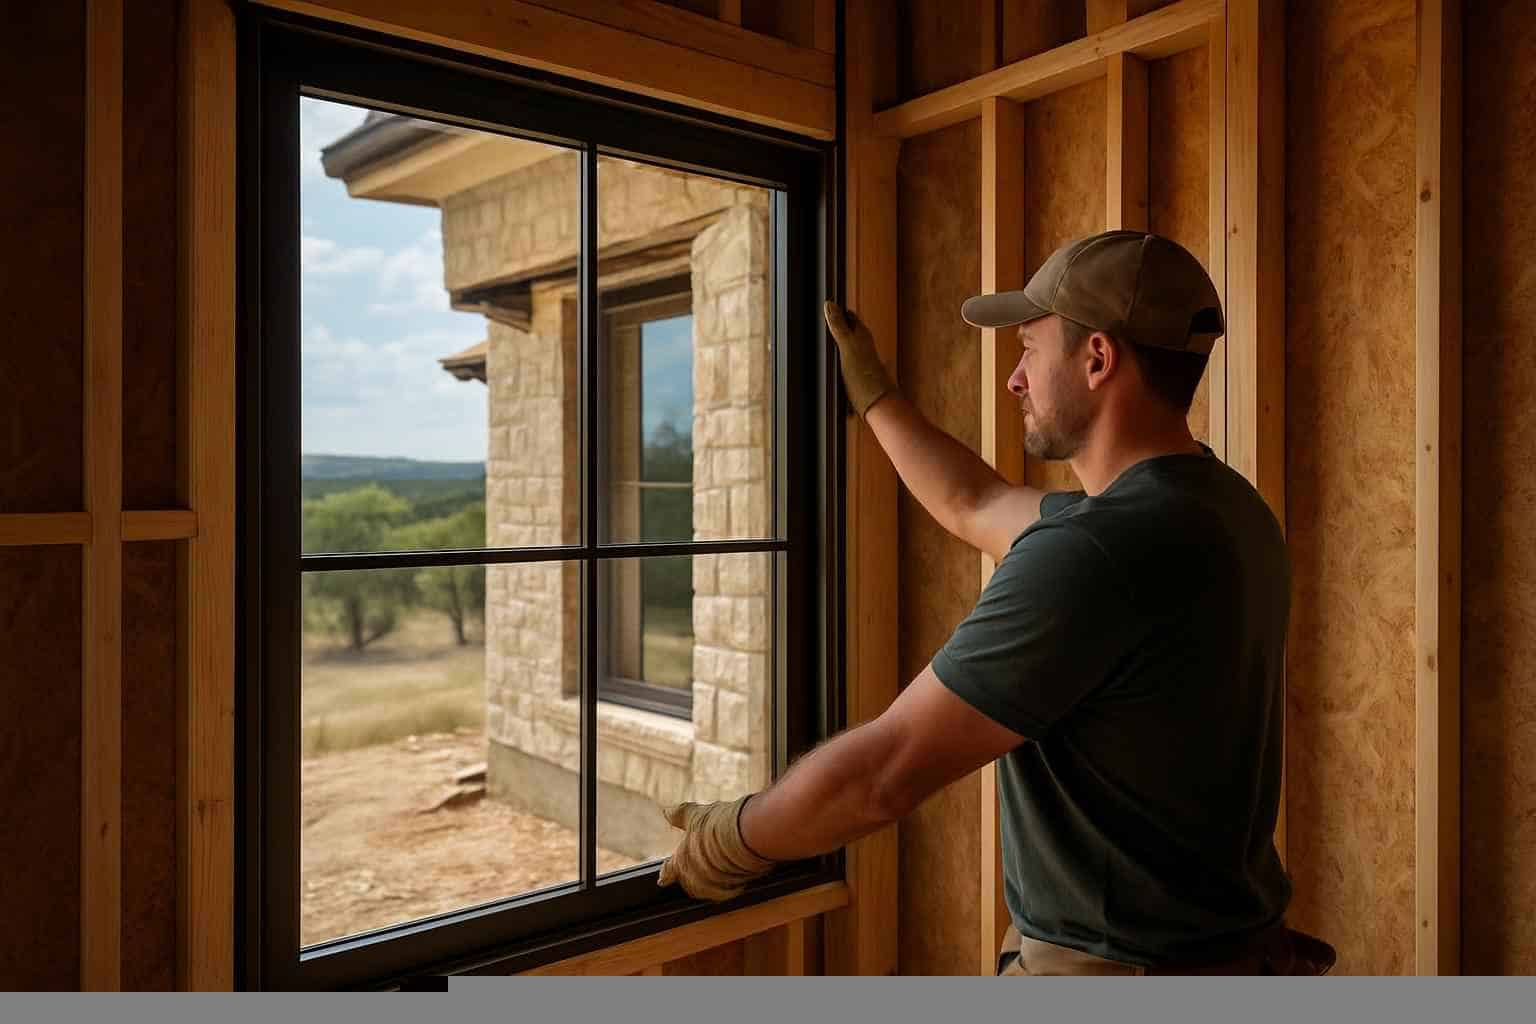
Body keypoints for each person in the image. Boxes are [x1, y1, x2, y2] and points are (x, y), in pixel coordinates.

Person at [655, 230, 1333, 976]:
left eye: (1030, 351)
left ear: (1098, 358)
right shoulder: (1223, 507)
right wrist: (875, 394)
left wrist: (731, 836)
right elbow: (974, 502)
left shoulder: (1096, 555)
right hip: (1233, 953)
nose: (1014, 379)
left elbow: (883, 774)